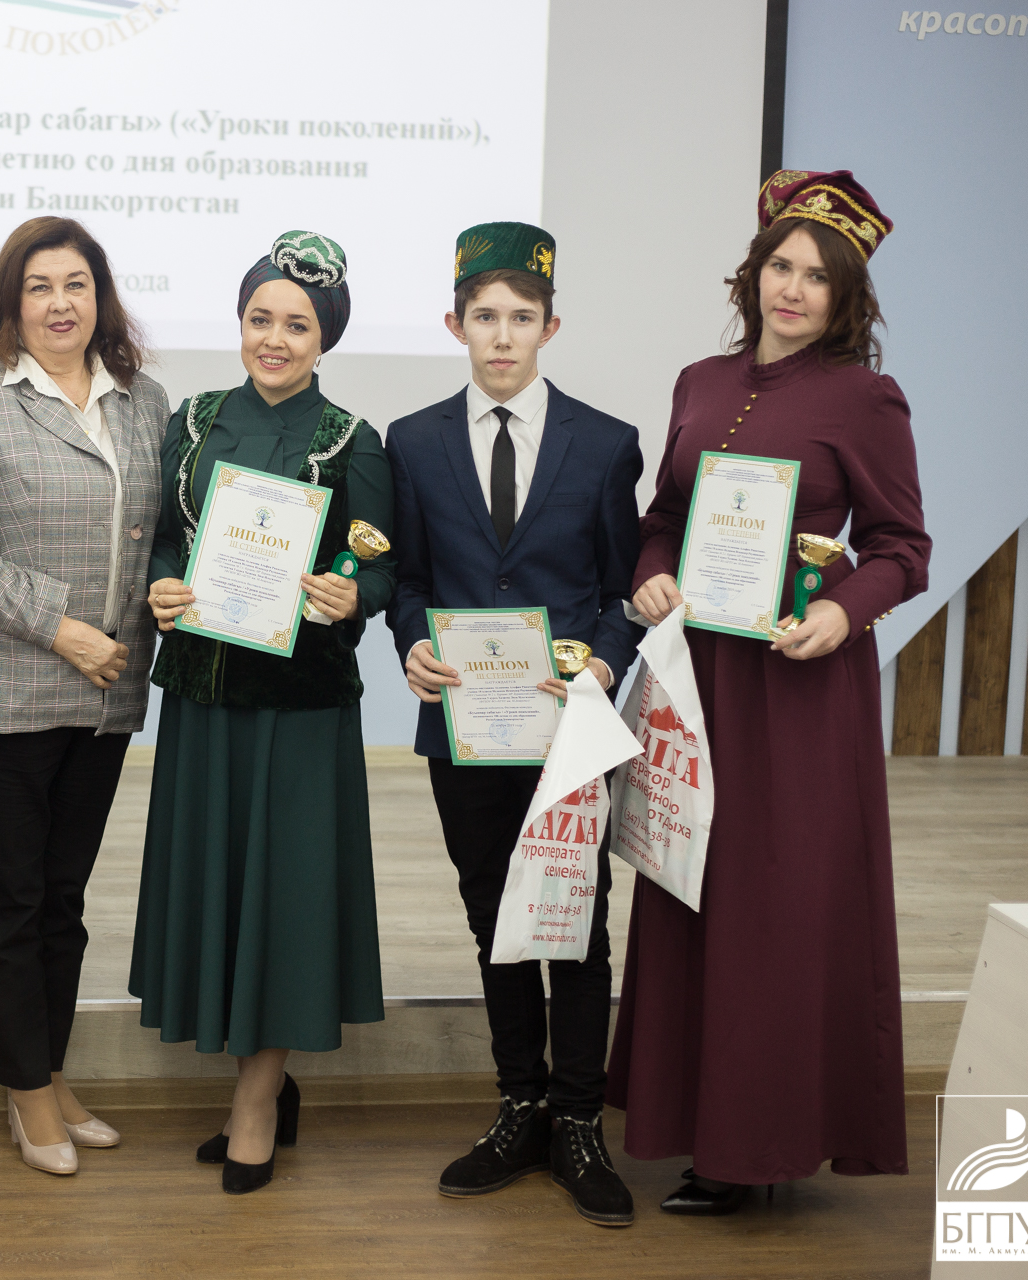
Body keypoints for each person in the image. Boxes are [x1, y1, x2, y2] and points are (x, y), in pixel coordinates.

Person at [613, 170, 927, 1214]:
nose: (792, 289)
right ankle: (700, 1128)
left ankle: (760, 1145)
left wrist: (844, 610)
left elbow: (902, 547)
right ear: (751, 275)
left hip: (798, 691)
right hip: (698, 680)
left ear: (846, 297)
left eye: (817, 277)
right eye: (779, 267)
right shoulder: (700, 380)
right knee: (692, 885)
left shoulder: (866, 398)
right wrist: (650, 572)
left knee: (777, 908)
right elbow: (663, 517)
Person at [386, 222, 644, 1227]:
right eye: (484, 316)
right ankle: (519, 1107)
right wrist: (413, 643)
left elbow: (621, 591)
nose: (502, 335)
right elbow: (411, 582)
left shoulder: (605, 442)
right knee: (492, 912)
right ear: (455, 325)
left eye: (521, 317)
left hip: (565, 725)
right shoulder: (413, 441)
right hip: (465, 724)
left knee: (574, 918)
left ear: (550, 327)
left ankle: (579, 1118)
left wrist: (603, 664)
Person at [136, 230, 396, 1196]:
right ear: (240, 323)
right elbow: (168, 541)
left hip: (299, 708)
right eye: (260, 319)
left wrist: (354, 594)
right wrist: (163, 585)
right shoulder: (195, 420)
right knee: (222, 887)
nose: (275, 340)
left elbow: (383, 566)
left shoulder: (352, 440)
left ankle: (255, 1103)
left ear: (325, 338)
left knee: (283, 897)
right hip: (205, 696)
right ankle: (261, 1085)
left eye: (297, 325)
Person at [0, 216, 169, 1176]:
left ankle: (52, 1074)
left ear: (100, 298)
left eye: (77, 285)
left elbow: (159, 538)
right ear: (11, 302)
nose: (61, 304)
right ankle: (25, 1096)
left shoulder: (144, 401)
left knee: (64, 902)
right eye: (40, 287)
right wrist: (62, 626)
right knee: (13, 904)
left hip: (107, 694)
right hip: (7, 693)